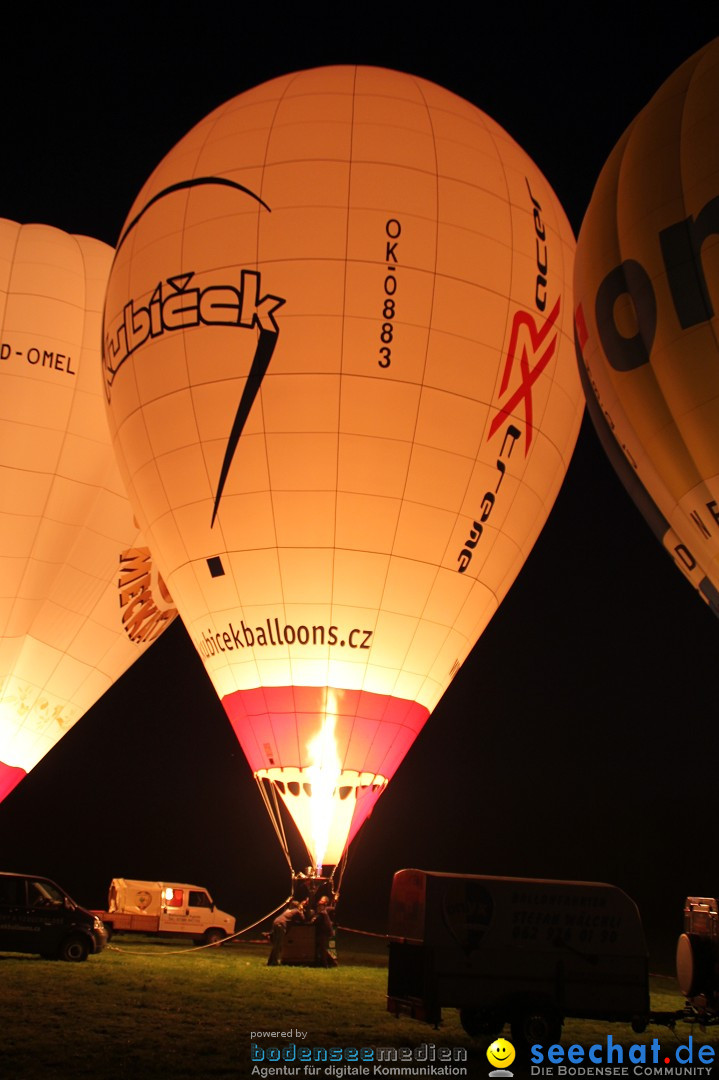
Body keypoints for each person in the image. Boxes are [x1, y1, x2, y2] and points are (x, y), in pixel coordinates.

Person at [314, 895, 337, 967]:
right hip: (320, 930)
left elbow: (333, 908)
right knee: (320, 947)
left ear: (326, 903)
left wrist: (335, 900)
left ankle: (326, 964)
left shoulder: (325, 910)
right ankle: (323, 962)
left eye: (322, 900)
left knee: (323, 948)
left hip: (324, 931)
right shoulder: (319, 908)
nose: (320, 900)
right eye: (320, 899)